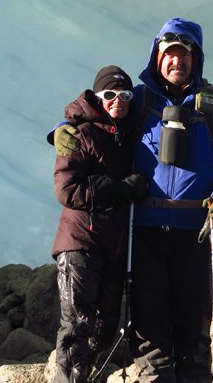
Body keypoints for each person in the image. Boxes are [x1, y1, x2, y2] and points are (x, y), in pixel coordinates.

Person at [53, 18, 213, 383]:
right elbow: (98, 114)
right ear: (157, 57)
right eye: (169, 54)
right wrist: (64, 127)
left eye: (184, 54)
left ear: (196, 58)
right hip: (145, 231)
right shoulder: (140, 100)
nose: (177, 61)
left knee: (193, 325)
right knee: (148, 325)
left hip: (197, 230)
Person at [51, 65, 149, 383]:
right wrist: (122, 189)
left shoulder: (125, 134)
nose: (117, 100)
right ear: (97, 97)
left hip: (112, 246)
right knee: (77, 325)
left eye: (124, 95)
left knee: (104, 326)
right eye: (110, 94)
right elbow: (66, 189)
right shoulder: (80, 133)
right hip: (81, 241)